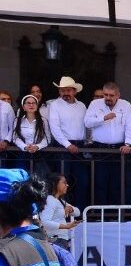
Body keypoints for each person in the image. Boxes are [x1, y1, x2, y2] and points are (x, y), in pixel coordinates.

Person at [83, 82, 131, 207]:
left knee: (117, 183)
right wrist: (103, 118)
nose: (108, 98)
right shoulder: (95, 104)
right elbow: (87, 122)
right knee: (100, 182)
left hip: (119, 148)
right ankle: (100, 214)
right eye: (105, 95)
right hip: (100, 148)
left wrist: (128, 143)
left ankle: (115, 214)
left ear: (118, 95)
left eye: (111, 95)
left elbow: (130, 126)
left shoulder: (125, 105)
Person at [46, 77, 90, 207]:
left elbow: (87, 126)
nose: (65, 93)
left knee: (82, 181)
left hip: (80, 147)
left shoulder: (82, 105)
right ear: (59, 92)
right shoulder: (55, 105)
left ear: (74, 91)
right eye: (62, 90)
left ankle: (80, 213)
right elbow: (55, 128)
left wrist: (87, 142)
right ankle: (63, 213)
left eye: (68, 90)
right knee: (62, 183)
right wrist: (67, 144)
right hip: (63, 148)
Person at [11, 95, 52, 176]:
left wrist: (37, 146)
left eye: (34, 103)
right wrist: (25, 147)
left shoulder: (43, 121)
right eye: (28, 103)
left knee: (40, 180)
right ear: (23, 107)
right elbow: (15, 138)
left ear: (37, 106)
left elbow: (47, 139)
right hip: (22, 154)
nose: (31, 105)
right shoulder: (18, 120)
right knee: (21, 179)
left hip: (39, 154)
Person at [41, 173, 81, 250]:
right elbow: (44, 221)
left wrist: (70, 208)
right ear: (55, 184)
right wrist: (66, 226)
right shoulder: (50, 200)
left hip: (59, 240)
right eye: (64, 183)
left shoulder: (60, 201)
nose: (67, 185)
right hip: (55, 240)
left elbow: (78, 212)